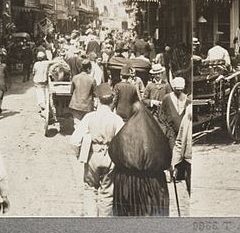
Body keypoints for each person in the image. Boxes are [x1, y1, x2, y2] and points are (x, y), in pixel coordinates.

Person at [70, 83, 125, 216]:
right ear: (112, 101)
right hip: (110, 157)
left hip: (92, 156)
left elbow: (74, 141)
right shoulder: (117, 119)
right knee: (107, 192)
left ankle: (91, 220)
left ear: (97, 100)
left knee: (90, 189)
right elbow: (123, 142)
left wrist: (80, 155)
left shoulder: (89, 117)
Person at [108, 106, 172, 216]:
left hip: (128, 182)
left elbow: (113, 152)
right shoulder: (156, 134)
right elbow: (166, 157)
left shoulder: (123, 133)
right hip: (153, 183)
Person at [158, 77, 188, 152]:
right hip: (171, 130)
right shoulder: (167, 98)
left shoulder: (186, 99)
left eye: (181, 90)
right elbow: (161, 114)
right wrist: (166, 128)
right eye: (177, 90)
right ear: (173, 88)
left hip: (183, 130)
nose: (179, 91)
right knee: (174, 150)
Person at [172, 103, 193, 195]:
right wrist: (175, 163)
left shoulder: (189, 113)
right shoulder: (188, 115)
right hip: (187, 162)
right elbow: (179, 140)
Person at [69, 59, 96, 127]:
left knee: (77, 125)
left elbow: (71, 91)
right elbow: (95, 94)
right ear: (88, 68)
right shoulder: (92, 80)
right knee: (86, 125)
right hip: (87, 107)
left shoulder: (75, 78)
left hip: (76, 105)